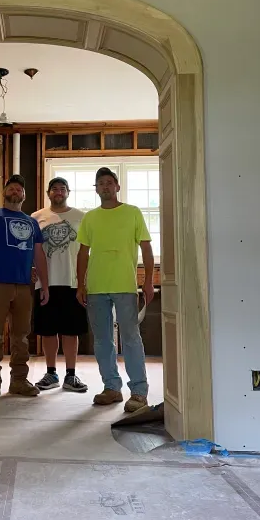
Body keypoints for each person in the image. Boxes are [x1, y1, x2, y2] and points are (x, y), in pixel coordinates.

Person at [76, 167, 154, 413]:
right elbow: (82, 253)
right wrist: (80, 284)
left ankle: (139, 392)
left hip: (125, 286)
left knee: (131, 339)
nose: (106, 186)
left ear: (117, 187)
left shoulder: (132, 213)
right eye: (101, 183)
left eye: (110, 182)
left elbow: (147, 249)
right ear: (96, 189)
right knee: (102, 341)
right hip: (97, 287)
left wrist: (149, 281)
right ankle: (111, 387)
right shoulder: (90, 218)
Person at [0, 174, 49, 399]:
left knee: (22, 336)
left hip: (24, 286)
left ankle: (18, 380)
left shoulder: (32, 222)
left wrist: (44, 285)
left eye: (19, 189)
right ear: (4, 192)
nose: (15, 191)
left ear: (24, 195)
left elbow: (39, 254)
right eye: (11, 188)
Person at [32, 177, 88, 392]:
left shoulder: (81, 217)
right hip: (45, 283)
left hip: (72, 282)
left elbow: (86, 251)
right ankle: (51, 373)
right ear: (48, 193)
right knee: (48, 330)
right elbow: (30, 249)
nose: (58, 192)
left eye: (62, 189)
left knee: (71, 330)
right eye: (54, 189)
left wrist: (84, 282)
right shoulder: (37, 217)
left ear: (68, 192)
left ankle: (71, 375)